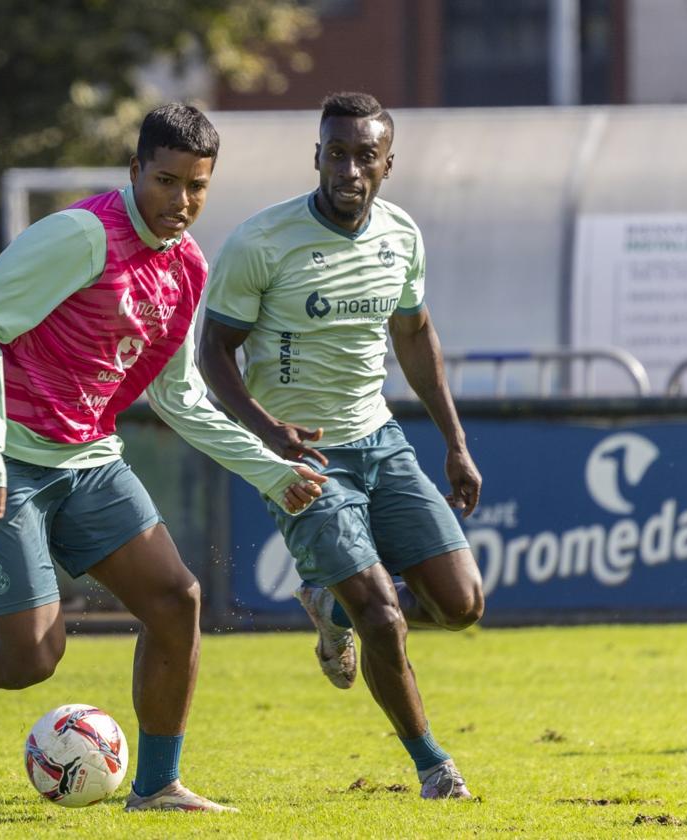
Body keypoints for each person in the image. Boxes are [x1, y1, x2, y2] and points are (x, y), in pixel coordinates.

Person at [0, 104, 324, 812]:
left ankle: (157, 786)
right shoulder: (82, 235)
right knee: (33, 660)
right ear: (135, 170)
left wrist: (270, 467)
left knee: (177, 600)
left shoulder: (188, 269)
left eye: (197, 187)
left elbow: (178, 398)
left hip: (88, 459)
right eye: (166, 181)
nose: (182, 202)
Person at [198, 91, 485, 800]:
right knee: (384, 617)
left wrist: (455, 441)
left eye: (365, 155)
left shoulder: (401, 235)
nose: (349, 169)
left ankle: (331, 608)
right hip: (304, 462)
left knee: (462, 605)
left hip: (381, 441)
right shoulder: (261, 242)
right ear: (316, 156)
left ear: (388, 162)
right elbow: (212, 353)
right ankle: (433, 765)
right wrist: (271, 435)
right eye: (336, 153)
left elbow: (414, 335)